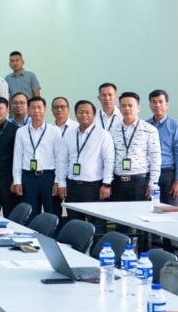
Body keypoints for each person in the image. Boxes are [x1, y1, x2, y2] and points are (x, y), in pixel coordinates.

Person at [56, 100, 114, 228]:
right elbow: (62, 161)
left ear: (94, 115)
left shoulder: (103, 135)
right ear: (76, 114)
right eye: (80, 112)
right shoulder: (70, 135)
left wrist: (106, 184)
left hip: (94, 186)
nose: (84, 115)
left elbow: (109, 160)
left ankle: (97, 242)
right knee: (74, 224)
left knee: (97, 224)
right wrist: (62, 183)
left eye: (87, 112)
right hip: (73, 186)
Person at [11, 96, 60, 218]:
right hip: (28, 177)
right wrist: (17, 181)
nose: (37, 111)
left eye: (39, 107)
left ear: (45, 110)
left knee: (51, 213)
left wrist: (58, 181)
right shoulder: (21, 131)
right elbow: (17, 157)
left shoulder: (54, 131)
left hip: (48, 177)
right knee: (29, 214)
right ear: (28, 110)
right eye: (33, 108)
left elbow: (59, 158)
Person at [110, 92, 161, 203]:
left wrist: (153, 183)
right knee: (117, 213)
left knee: (139, 213)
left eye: (130, 105)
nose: (127, 108)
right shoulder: (113, 130)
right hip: (118, 182)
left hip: (140, 182)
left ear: (138, 107)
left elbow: (155, 158)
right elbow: (110, 158)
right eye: (123, 106)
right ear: (119, 108)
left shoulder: (150, 130)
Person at [148, 89, 178, 206]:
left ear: (167, 104)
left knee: (170, 210)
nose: (157, 105)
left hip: (168, 175)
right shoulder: (145, 125)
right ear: (150, 105)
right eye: (154, 102)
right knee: (149, 210)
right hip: (149, 175)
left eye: (160, 101)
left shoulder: (176, 126)